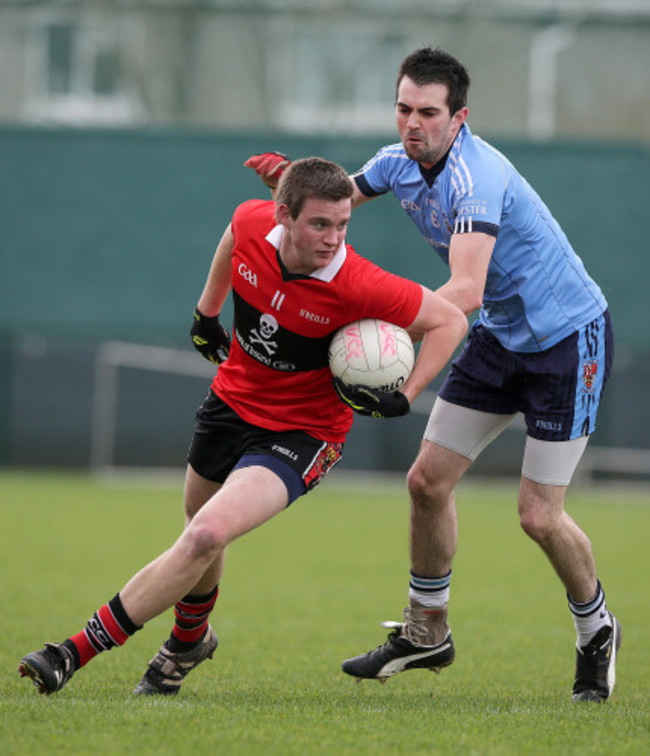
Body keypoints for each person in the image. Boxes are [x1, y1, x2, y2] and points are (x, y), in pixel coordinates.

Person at [245, 47, 620, 703]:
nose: (411, 123)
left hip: (567, 342)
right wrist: (289, 188)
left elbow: (467, 289)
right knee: (426, 481)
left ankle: (595, 629)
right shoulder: (398, 163)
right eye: (402, 108)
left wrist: (401, 367)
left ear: (459, 118)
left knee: (537, 516)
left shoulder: (476, 179)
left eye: (427, 112)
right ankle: (426, 632)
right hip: (503, 338)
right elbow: (334, 206)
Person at [18, 157, 467, 697]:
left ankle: (71, 652)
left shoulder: (358, 283)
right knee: (197, 528)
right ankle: (190, 641)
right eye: (319, 224)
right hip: (230, 402)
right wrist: (208, 312)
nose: (333, 238)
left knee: (207, 532)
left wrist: (406, 396)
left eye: (343, 224)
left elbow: (450, 320)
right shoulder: (255, 222)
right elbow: (234, 232)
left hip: (303, 434)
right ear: (284, 216)